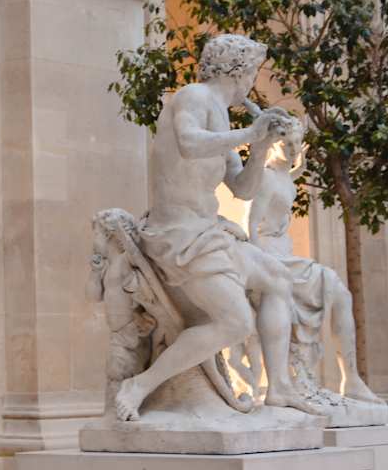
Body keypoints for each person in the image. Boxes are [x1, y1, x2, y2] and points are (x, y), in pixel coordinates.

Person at [112, 34, 327, 421]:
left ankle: (279, 388)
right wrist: (251, 133)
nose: (252, 83)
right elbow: (190, 143)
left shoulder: (222, 117)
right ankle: (139, 386)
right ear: (239, 71)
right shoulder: (193, 96)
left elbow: (243, 189)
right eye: (253, 73)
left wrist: (260, 147)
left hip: (207, 230)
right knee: (235, 322)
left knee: (279, 280)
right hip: (177, 233)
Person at [248, 119, 381, 403]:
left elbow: (287, 181)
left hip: (284, 255)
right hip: (270, 257)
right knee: (337, 289)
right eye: (287, 144)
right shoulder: (266, 178)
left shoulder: (284, 176)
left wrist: (298, 169)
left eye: (297, 143)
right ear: (273, 145)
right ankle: (349, 379)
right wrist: (260, 269)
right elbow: (251, 225)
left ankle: (352, 379)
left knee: (341, 294)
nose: (294, 149)